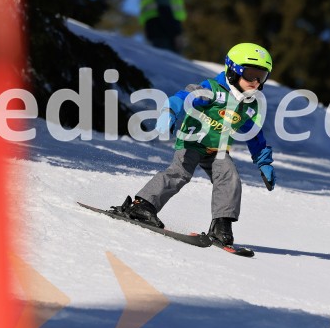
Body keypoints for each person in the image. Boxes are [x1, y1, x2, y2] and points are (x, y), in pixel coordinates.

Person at [113, 42, 277, 246]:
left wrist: (264, 162)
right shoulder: (212, 90)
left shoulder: (250, 106)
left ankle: (221, 225)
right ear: (233, 71)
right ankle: (142, 206)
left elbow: (254, 135)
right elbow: (183, 97)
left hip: (217, 149)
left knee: (230, 178)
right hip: (192, 141)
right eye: (250, 74)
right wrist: (169, 111)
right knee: (179, 173)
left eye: (261, 76)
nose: (255, 82)